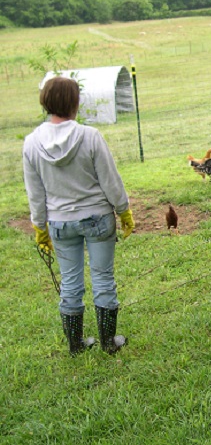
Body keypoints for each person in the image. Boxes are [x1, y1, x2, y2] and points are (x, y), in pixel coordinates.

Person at [22, 76, 135, 356]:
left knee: (70, 283)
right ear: (74, 102)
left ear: (46, 102)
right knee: (103, 278)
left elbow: (35, 193)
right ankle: (109, 342)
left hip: (60, 224)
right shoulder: (90, 136)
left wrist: (40, 227)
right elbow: (110, 180)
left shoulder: (31, 143)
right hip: (98, 218)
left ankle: (75, 346)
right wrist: (123, 210)